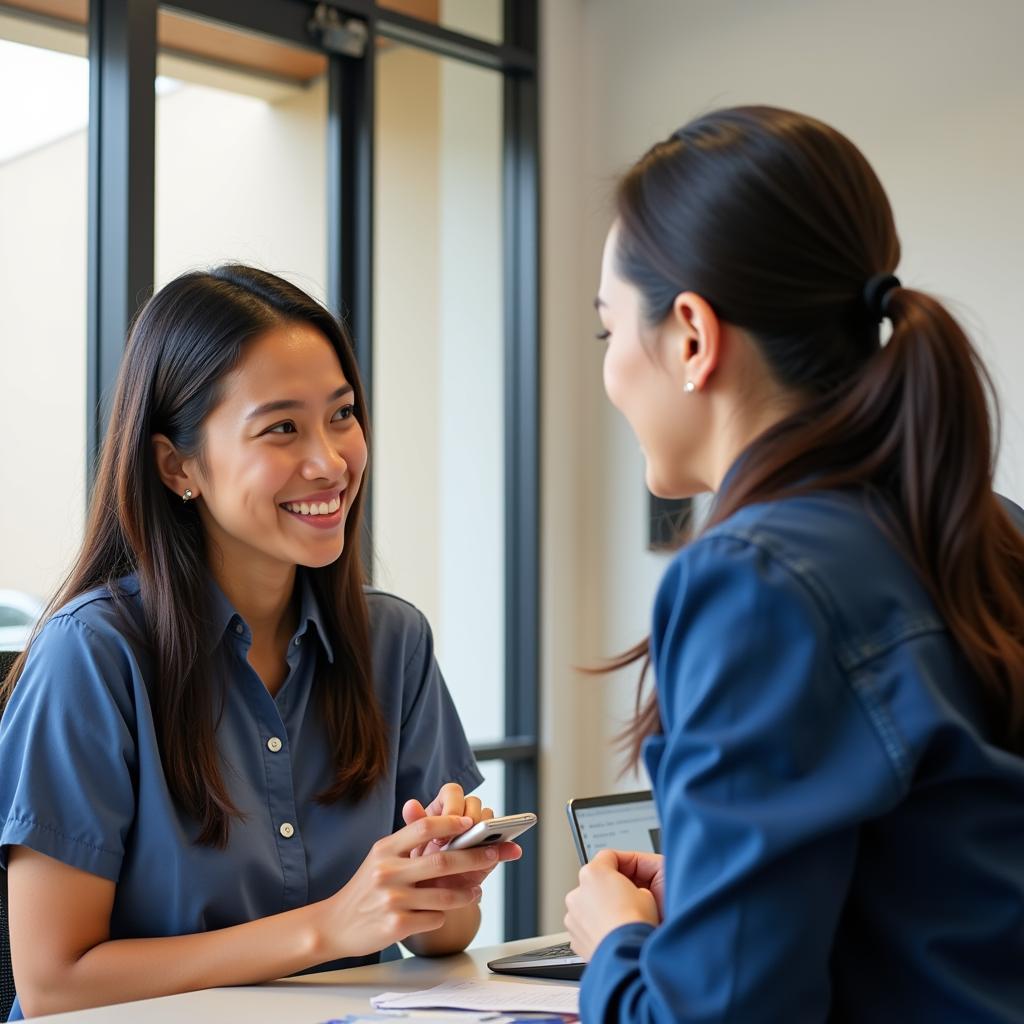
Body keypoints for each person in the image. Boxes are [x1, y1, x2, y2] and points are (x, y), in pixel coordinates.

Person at [563, 106, 1024, 1022]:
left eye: (607, 330)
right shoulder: (991, 529)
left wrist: (618, 945)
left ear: (691, 336)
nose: (611, 367)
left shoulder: (754, 578)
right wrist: (707, 892)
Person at [0, 266, 519, 1019]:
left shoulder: (392, 642)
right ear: (178, 467)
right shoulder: (92, 656)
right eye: (283, 427)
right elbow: (55, 983)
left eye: (341, 415)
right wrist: (330, 926)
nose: (331, 462)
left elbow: (447, 937)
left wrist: (438, 873)